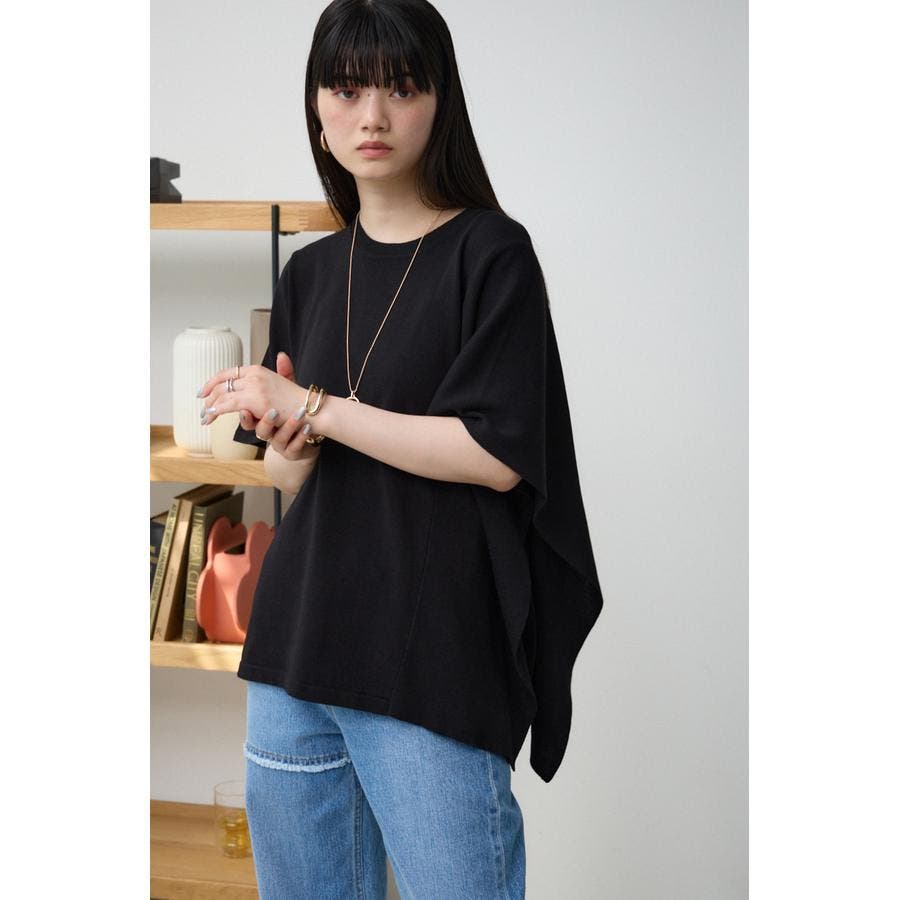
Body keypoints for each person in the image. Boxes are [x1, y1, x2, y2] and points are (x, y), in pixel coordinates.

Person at [197, 1, 604, 897]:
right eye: (347, 91)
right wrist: (294, 437)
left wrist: (316, 406)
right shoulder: (309, 270)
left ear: (439, 101)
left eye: (401, 88)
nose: (372, 116)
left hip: (431, 659)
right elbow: (287, 477)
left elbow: (495, 453)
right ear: (317, 108)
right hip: (296, 651)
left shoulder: (491, 253)